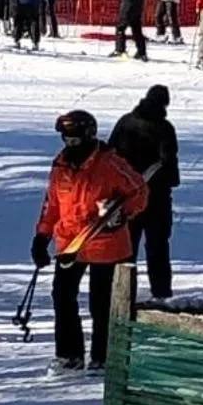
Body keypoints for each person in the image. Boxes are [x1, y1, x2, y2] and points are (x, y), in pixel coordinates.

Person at [32, 110, 149, 372]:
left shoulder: (110, 163)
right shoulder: (60, 165)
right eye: (66, 139)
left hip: (105, 243)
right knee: (62, 297)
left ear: (88, 135)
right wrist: (42, 237)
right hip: (70, 243)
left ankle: (104, 356)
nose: (70, 144)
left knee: (102, 302)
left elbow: (139, 191)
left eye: (75, 139)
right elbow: (51, 205)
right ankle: (69, 354)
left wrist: (121, 213)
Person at [109, 85, 181, 300]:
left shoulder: (125, 122)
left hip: (127, 197)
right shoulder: (164, 128)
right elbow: (170, 165)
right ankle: (161, 293)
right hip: (156, 198)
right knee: (158, 247)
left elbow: (111, 156)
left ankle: (122, 294)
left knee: (126, 247)